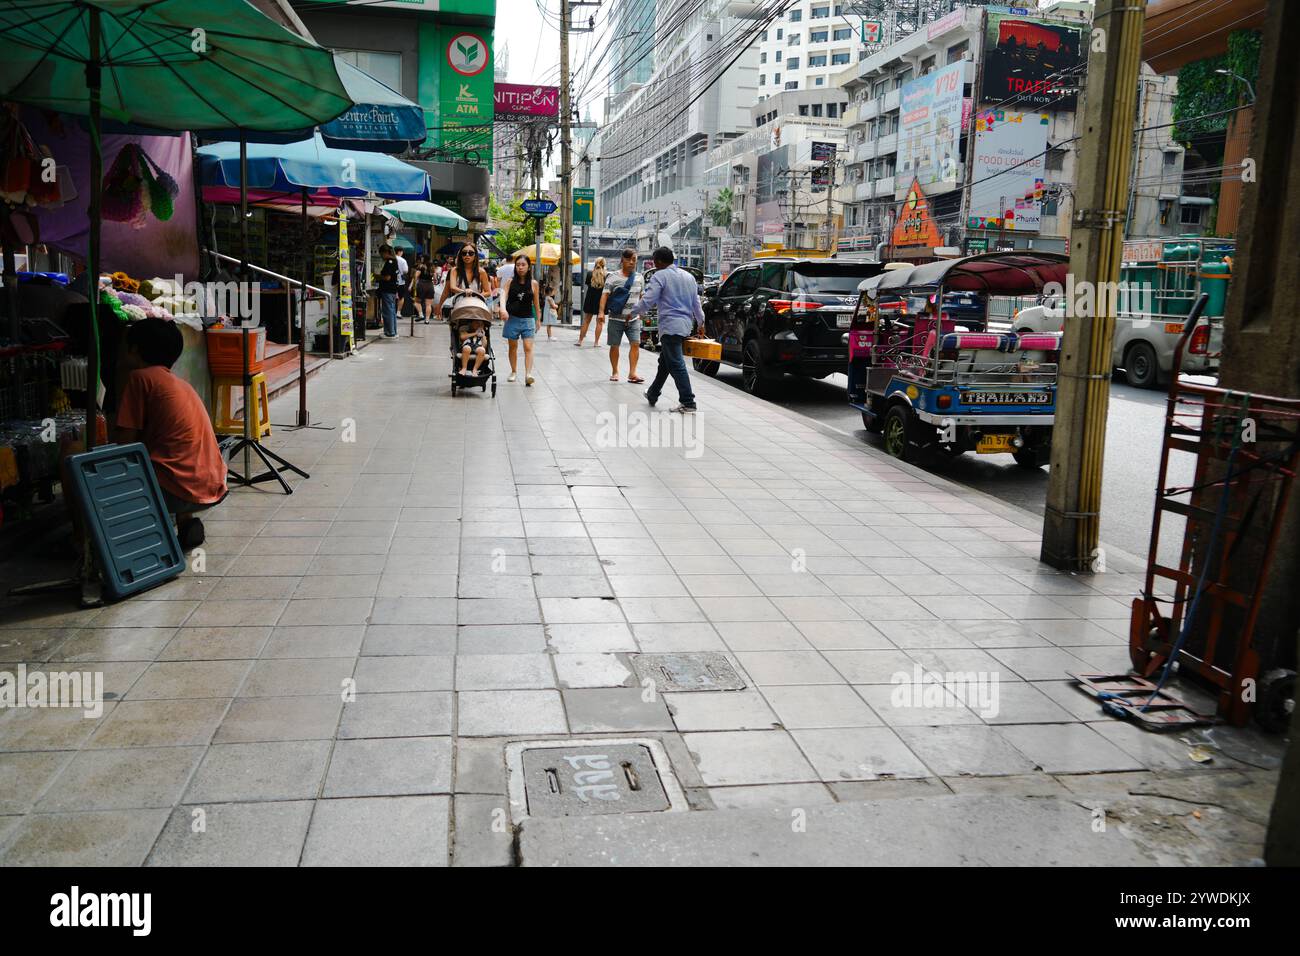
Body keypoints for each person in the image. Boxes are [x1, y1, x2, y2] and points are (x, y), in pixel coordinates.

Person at [114, 318, 227, 548]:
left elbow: (124, 445)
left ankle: (140, 531)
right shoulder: (180, 383)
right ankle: (184, 521)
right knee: (167, 451)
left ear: (134, 349)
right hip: (212, 484)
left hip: (178, 491)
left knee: (106, 478)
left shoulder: (140, 378)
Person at [634, 246, 703, 412]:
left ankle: (688, 402)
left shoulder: (659, 276)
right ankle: (652, 393)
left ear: (658, 261)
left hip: (670, 326)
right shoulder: (689, 277)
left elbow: (648, 299)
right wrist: (701, 322)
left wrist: (633, 312)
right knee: (665, 362)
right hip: (685, 325)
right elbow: (696, 303)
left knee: (677, 364)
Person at [599, 248, 645, 383]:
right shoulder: (613, 276)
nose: (631, 263)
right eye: (628, 260)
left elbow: (642, 296)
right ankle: (615, 371)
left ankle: (632, 373)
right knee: (615, 345)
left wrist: (640, 311)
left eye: (634, 260)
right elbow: (604, 295)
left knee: (635, 344)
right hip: (615, 318)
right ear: (622, 261)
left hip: (634, 319)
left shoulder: (639, 277)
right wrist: (601, 312)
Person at [499, 252, 540, 385]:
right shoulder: (510, 282)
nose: (520, 267)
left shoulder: (534, 284)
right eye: (518, 265)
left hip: (528, 319)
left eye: (523, 265)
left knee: (528, 347)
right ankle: (514, 371)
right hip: (512, 319)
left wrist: (538, 320)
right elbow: (503, 295)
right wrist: (503, 308)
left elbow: (537, 304)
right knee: (513, 347)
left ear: (529, 267)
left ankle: (528, 374)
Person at [439, 244, 489, 320]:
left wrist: (476, 295)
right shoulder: (455, 270)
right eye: (464, 253)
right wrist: (439, 306)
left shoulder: (481, 272)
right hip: (459, 305)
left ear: (475, 255)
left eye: (471, 253)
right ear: (460, 255)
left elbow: (488, 292)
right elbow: (452, 288)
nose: (467, 255)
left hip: (476, 306)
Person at [576, 257, 606, 347]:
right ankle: (596, 343)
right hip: (601, 300)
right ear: (604, 265)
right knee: (599, 322)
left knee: (586, 321)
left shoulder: (590, 274)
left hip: (590, 300)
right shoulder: (606, 275)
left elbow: (587, 285)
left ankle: (580, 341)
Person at [377, 244, 400, 337]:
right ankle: (392, 331)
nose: (381, 256)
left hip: (388, 289)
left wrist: (377, 276)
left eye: (381, 254)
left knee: (388, 311)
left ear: (386, 253)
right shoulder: (394, 261)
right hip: (392, 289)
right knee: (391, 310)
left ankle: (390, 332)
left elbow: (387, 277)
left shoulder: (389, 263)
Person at [411, 255, 437, 324]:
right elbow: (435, 279)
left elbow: (416, 276)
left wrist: (413, 285)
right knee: (428, 304)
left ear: (424, 259)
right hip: (430, 285)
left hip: (421, 284)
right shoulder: (432, 267)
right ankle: (427, 320)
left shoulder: (421, 266)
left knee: (416, 302)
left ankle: (421, 314)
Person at [393, 247, 410, 316]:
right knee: (401, 297)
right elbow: (405, 270)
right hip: (401, 282)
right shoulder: (403, 260)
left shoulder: (392, 259)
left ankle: (392, 311)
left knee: (392, 296)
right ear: (400, 252)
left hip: (392, 281)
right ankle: (398, 312)